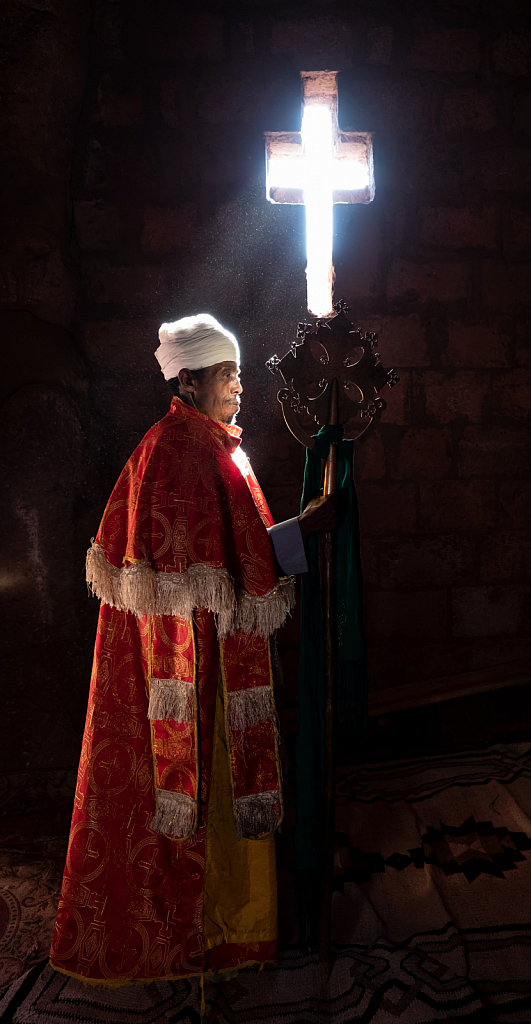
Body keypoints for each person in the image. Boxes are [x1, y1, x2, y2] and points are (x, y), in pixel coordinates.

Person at [50, 314, 342, 985]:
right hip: (192, 674)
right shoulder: (184, 454)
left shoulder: (196, 444)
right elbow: (238, 570)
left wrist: (297, 533)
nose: (238, 387)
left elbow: (235, 557)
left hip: (206, 654)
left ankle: (234, 929)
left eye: (237, 373)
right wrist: (310, 530)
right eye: (227, 374)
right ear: (190, 379)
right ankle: (209, 934)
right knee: (208, 795)